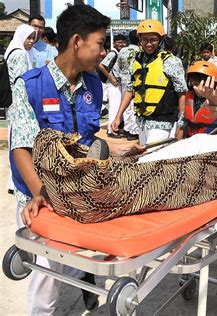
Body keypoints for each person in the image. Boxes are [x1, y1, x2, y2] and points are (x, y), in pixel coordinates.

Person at [11, 5, 143, 314]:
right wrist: (41, 194)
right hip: (37, 194)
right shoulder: (30, 85)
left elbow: (87, 138)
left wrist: (119, 148)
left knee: (77, 256)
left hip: (77, 189)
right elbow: (21, 147)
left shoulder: (93, 86)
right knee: (46, 272)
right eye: (100, 43)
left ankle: (83, 273)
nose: (103, 52)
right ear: (76, 41)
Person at [111, 20, 187, 144]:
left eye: (153, 39)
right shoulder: (135, 60)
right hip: (141, 121)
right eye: (144, 39)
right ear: (139, 39)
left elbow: (181, 93)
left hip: (162, 121)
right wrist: (118, 116)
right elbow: (130, 90)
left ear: (160, 40)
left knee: (152, 158)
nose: (149, 44)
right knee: (145, 156)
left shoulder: (171, 61)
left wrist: (182, 123)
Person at [4, 24, 37, 195]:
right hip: (19, 105)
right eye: (29, 37)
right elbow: (20, 83)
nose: (31, 41)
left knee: (13, 142)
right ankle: (16, 183)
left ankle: (13, 182)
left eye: (33, 38)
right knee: (20, 145)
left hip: (13, 105)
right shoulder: (20, 54)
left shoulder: (12, 50)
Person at [98, 34, 126, 138]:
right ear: (114, 43)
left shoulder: (120, 53)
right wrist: (111, 78)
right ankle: (111, 130)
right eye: (118, 42)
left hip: (117, 83)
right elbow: (101, 65)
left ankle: (115, 128)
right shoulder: (113, 53)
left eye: (123, 42)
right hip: (113, 84)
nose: (121, 44)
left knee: (117, 106)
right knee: (114, 107)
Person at [183, 61, 217, 137]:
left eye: (198, 81)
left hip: (210, 140)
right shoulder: (188, 96)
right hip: (190, 140)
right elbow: (182, 123)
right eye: (192, 81)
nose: (194, 86)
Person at [116, 30, 140, 140]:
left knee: (125, 106)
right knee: (135, 106)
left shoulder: (123, 51)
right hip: (137, 81)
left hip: (124, 81)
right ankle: (134, 131)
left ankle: (126, 128)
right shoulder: (141, 51)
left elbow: (118, 66)